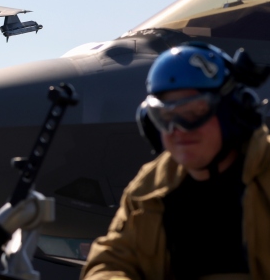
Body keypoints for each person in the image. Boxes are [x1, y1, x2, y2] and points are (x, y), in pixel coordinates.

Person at [82, 43, 270, 279]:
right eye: (164, 117)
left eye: (192, 113)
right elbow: (107, 263)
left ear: (232, 111)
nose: (178, 130)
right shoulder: (149, 188)